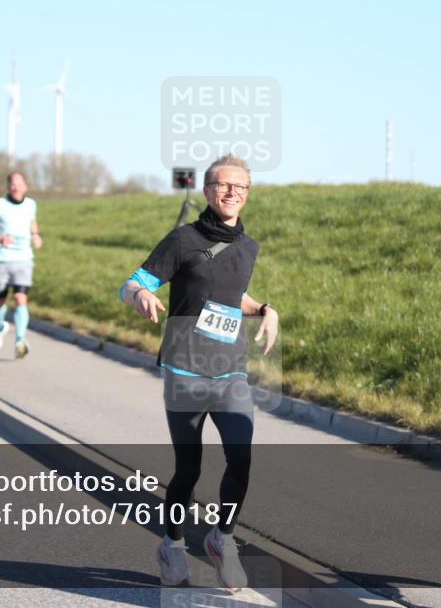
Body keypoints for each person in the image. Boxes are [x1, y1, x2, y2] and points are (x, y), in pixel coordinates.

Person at [119, 155, 278, 590]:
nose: (232, 193)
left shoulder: (248, 248)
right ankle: (171, 544)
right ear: (208, 191)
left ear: (247, 194)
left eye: (240, 187)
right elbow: (132, 282)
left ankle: (222, 540)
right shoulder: (182, 240)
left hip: (230, 371)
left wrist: (264, 309)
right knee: (188, 470)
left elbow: (233, 297)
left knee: (241, 461)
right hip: (185, 369)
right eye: (224, 186)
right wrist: (141, 298)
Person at [0, 172, 42, 358]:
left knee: (21, 298)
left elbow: (32, 221)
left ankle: (20, 340)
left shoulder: (31, 204)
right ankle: (0, 327)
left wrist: (36, 235)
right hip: (1, 259)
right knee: (0, 299)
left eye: (19, 184)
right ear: (8, 187)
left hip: (23, 259)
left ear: (25, 187)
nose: (16, 188)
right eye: (13, 185)